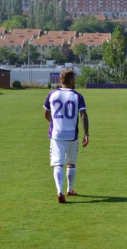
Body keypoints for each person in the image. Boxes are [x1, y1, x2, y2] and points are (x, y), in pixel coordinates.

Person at [43, 70, 89, 203]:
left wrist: (55, 123)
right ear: (70, 80)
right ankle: (70, 189)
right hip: (72, 134)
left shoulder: (52, 94)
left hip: (57, 134)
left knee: (58, 163)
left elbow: (46, 114)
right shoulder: (77, 96)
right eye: (74, 79)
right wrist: (86, 133)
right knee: (71, 162)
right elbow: (83, 115)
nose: (75, 82)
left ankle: (60, 191)